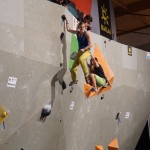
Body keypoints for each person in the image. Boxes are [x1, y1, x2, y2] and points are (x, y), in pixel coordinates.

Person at [65, 17, 92, 86]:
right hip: (80, 52)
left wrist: (84, 49)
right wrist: (67, 21)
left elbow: (90, 45)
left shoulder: (86, 34)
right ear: (79, 28)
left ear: (84, 27)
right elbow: (68, 29)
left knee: (81, 59)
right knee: (73, 69)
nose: (82, 29)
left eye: (83, 27)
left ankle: (87, 76)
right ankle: (74, 80)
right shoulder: (77, 33)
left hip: (87, 51)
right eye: (81, 27)